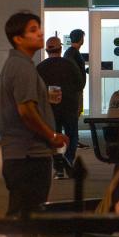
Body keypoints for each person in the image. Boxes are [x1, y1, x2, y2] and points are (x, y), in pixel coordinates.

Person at [0, 12, 67, 237]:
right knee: (27, 214)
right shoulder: (24, 67)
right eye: (32, 29)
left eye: (39, 28)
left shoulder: (19, 65)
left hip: (21, 152)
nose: (40, 33)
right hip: (28, 153)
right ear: (18, 38)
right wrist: (51, 135)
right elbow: (26, 111)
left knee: (21, 212)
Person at [36, 37, 86, 180]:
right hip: (69, 106)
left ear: (46, 50)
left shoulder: (40, 67)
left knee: (54, 136)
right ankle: (68, 159)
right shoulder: (70, 65)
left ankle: (58, 166)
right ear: (61, 49)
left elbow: (36, 89)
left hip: (50, 110)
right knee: (72, 135)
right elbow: (80, 83)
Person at [64, 28, 88, 120]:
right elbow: (73, 70)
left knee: (76, 115)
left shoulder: (71, 52)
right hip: (75, 91)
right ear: (81, 39)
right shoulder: (72, 53)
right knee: (74, 116)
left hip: (75, 90)